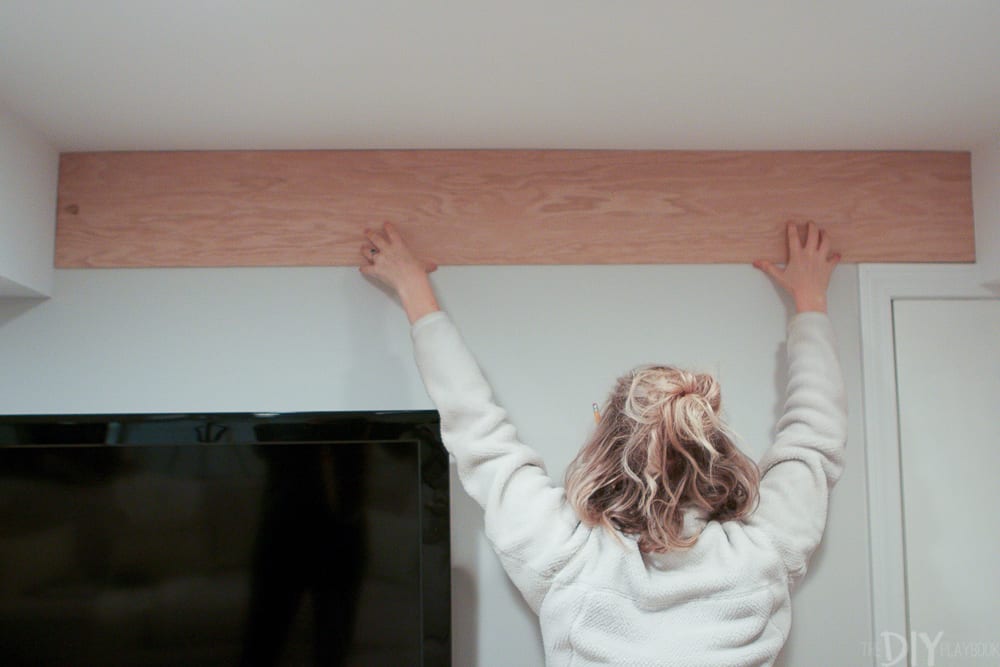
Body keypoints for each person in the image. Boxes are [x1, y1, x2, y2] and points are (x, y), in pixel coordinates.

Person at [359, 221, 845, 667]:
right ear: (710, 451)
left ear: (605, 448)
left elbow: (478, 430)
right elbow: (813, 436)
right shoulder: (761, 553)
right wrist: (811, 302)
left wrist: (413, 289)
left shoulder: (568, 557)